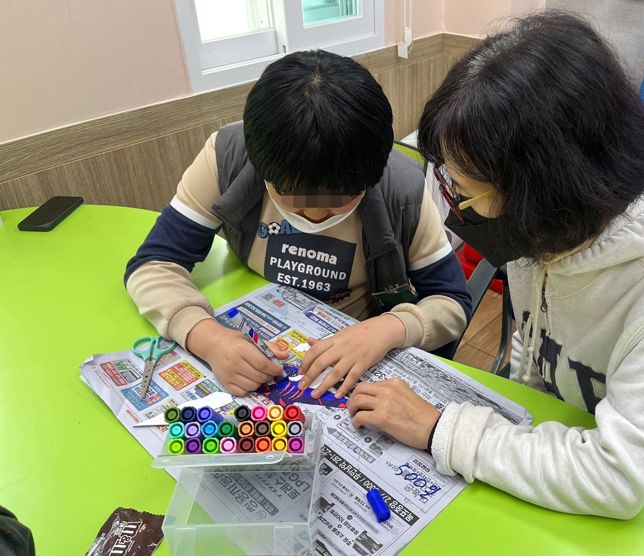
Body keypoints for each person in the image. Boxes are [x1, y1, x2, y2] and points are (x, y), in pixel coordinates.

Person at [347, 12, 644, 519]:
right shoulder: (546, 233)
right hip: (555, 457)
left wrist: (443, 430)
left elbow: (619, 478)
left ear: (547, 186)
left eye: (466, 191)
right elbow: (532, 346)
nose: (456, 206)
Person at [125, 50, 472, 398]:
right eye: (291, 196)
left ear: (373, 173)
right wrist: (207, 337)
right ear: (261, 167)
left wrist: (391, 327)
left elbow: (452, 301)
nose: (317, 214)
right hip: (257, 335)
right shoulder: (228, 157)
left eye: (341, 198)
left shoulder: (401, 187)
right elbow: (154, 264)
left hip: (351, 352)